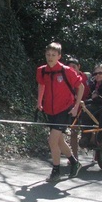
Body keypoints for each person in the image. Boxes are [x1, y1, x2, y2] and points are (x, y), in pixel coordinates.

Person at [36, 42, 84, 183]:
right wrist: (39, 101)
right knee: (59, 140)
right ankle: (75, 163)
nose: (50, 58)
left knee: (52, 140)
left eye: (53, 55)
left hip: (64, 109)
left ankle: (56, 171)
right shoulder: (42, 70)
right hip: (50, 109)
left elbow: (80, 87)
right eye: (48, 55)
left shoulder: (67, 71)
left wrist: (76, 107)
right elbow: (41, 84)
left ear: (59, 56)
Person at [67, 57, 89, 158]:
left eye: (74, 67)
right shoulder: (66, 77)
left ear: (79, 67)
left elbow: (88, 92)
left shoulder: (84, 78)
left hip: (85, 108)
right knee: (73, 132)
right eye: (69, 67)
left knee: (88, 130)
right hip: (73, 108)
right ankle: (74, 157)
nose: (72, 69)